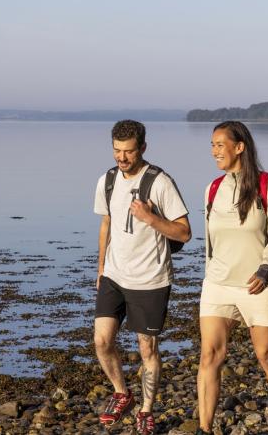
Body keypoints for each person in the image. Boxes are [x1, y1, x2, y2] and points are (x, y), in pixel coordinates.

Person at [195, 121, 268, 435]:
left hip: (259, 284)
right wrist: (209, 275)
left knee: (265, 353)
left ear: (240, 147)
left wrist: (267, 268)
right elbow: (211, 242)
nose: (214, 151)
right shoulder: (213, 188)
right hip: (218, 284)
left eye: (220, 145)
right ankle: (204, 427)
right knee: (210, 353)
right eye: (212, 145)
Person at [93, 119, 192, 435]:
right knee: (102, 341)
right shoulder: (107, 180)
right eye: (117, 151)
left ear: (143, 148)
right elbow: (106, 224)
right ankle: (122, 392)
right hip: (113, 275)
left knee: (147, 349)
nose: (122, 158)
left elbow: (185, 232)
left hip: (150, 278)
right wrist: (100, 269)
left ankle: (146, 410)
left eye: (129, 152)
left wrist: (150, 217)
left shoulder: (160, 182)